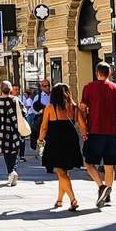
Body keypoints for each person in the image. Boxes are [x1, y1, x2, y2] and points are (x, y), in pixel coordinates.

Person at [78, 62, 116, 208]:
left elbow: (82, 108)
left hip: (94, 132)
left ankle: (101, 187)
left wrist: (83, 126)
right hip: (112, 133)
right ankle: (108, 195)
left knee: (88, 163)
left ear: (96, 72)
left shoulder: (89, 87)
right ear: (110, 73)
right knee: (109, 165)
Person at [38, 83, 84, 211]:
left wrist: (40, 140)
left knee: (60, 171)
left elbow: (44, 126)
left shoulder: (50, 108)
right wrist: (85, 135)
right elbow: (82, 125)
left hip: (55, 141)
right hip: (71, 140)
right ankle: (59, 200)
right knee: (63, 172)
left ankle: (73, 199)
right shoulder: (74, 107)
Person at [0, 81, 26, 186]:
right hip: (14, 131)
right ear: (11, 89)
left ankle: (11, 171)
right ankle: (12, 170)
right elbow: (24, 112)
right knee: (14, 152)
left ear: (1, 89)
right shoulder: (15, 100)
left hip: (1, 131)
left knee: (6, 153)